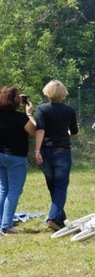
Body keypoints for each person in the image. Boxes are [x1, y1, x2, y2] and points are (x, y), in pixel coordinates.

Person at [34, 80, 79, 230]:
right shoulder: (69, 110)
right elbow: (74, 132)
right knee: (60, 186)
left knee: (52, 186)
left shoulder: (42, 109)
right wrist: (65, 133)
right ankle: (54, 217)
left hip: (46, 150)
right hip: (62, 150)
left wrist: (37, 150)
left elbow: (40, 130)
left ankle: (60, 218)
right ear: (63, 93)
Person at [0, 87, 36, 235]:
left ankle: (1, 222)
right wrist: (29, 114)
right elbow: (34, 131)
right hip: (16, 157)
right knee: (14, 190)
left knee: (3, 190)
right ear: (16, 101)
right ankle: (7, 225)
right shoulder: (21, 118)